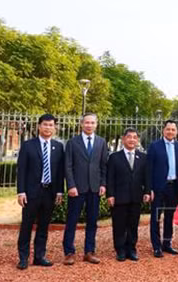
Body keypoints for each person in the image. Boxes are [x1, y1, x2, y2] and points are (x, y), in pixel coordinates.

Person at [15, 114, 64, 270]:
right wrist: (21, 191)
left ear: (55, 127)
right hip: (31, 193)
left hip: (49, 192)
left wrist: (60, 191)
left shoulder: (58, 147)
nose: (48, 128)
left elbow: (60, 171)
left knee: (43, 226)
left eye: (51, 125)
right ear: (39, 126)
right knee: (26, 226)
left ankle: (39, 256)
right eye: (45, 124)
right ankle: (23, 258)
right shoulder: (28, 145)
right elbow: (21, 170)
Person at [63, 113, 109, 265]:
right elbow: (68, 166)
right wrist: (71, 185)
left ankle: (89, 251)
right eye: (87, 122)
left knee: (92, 221)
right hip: (77, 188)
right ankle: (69, 252)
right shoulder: (72, 142)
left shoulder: (101, 142)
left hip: (94, 188)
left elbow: (104, 165)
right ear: (82, 124)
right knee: (72, 221)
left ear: (96, 124)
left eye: (92, 123)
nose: (89, 125)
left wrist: (103, 184)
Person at [107, 127, 151, 262]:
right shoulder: (114, 157)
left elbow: (147, 177)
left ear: (137, 140)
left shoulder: (143, 157)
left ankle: (131, 249)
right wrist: (110, 195)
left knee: (133, 225)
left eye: (135, 137)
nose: (132, 140)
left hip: (136, 197)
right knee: (119, 225)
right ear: (123, 139)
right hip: (119, 197)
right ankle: (120, 250)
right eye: (129, 137)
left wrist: (147, 191)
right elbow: (110, 178)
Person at [147, 119, 178, 258]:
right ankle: (156, 246)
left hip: (173, 187)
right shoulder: (154, 146)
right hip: (158, 188)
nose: (170, 132)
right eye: (168, 129)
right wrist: (149, 189)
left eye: (173, 129)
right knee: (156, 217)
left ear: (176, 132)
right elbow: (149, 169)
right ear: (163, 130)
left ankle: (167, 244)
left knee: (169, 216)